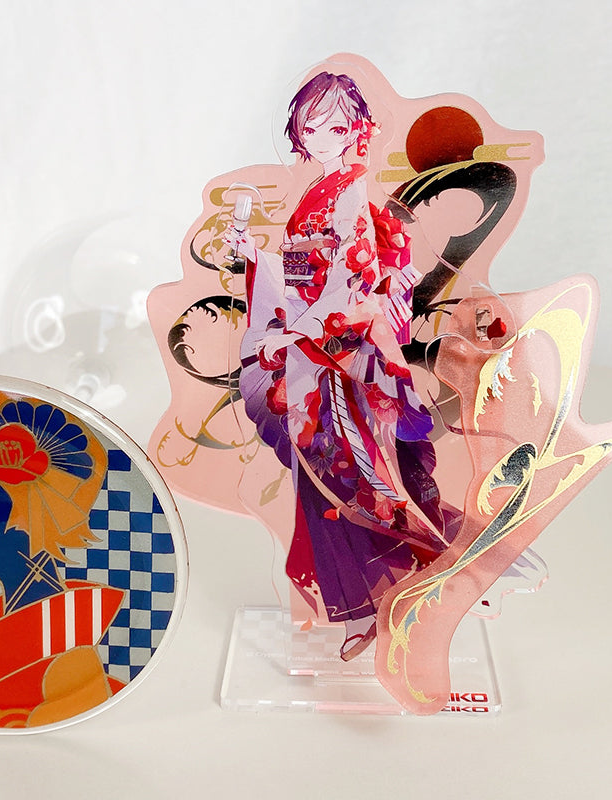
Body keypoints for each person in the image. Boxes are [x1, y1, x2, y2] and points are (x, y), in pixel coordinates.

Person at [224, 72, 456, 660]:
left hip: (338, 357)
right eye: (309, 125)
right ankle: (366, 606)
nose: (319, 135)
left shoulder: (350, 190)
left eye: (333, 124)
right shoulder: (321, 189)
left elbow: (351, 282)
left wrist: (297, 328)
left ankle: (396, 592)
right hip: (312, 353)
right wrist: (257, 258)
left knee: (350, 476)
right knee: (323, 480)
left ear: (357, 128)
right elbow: (302, 271)